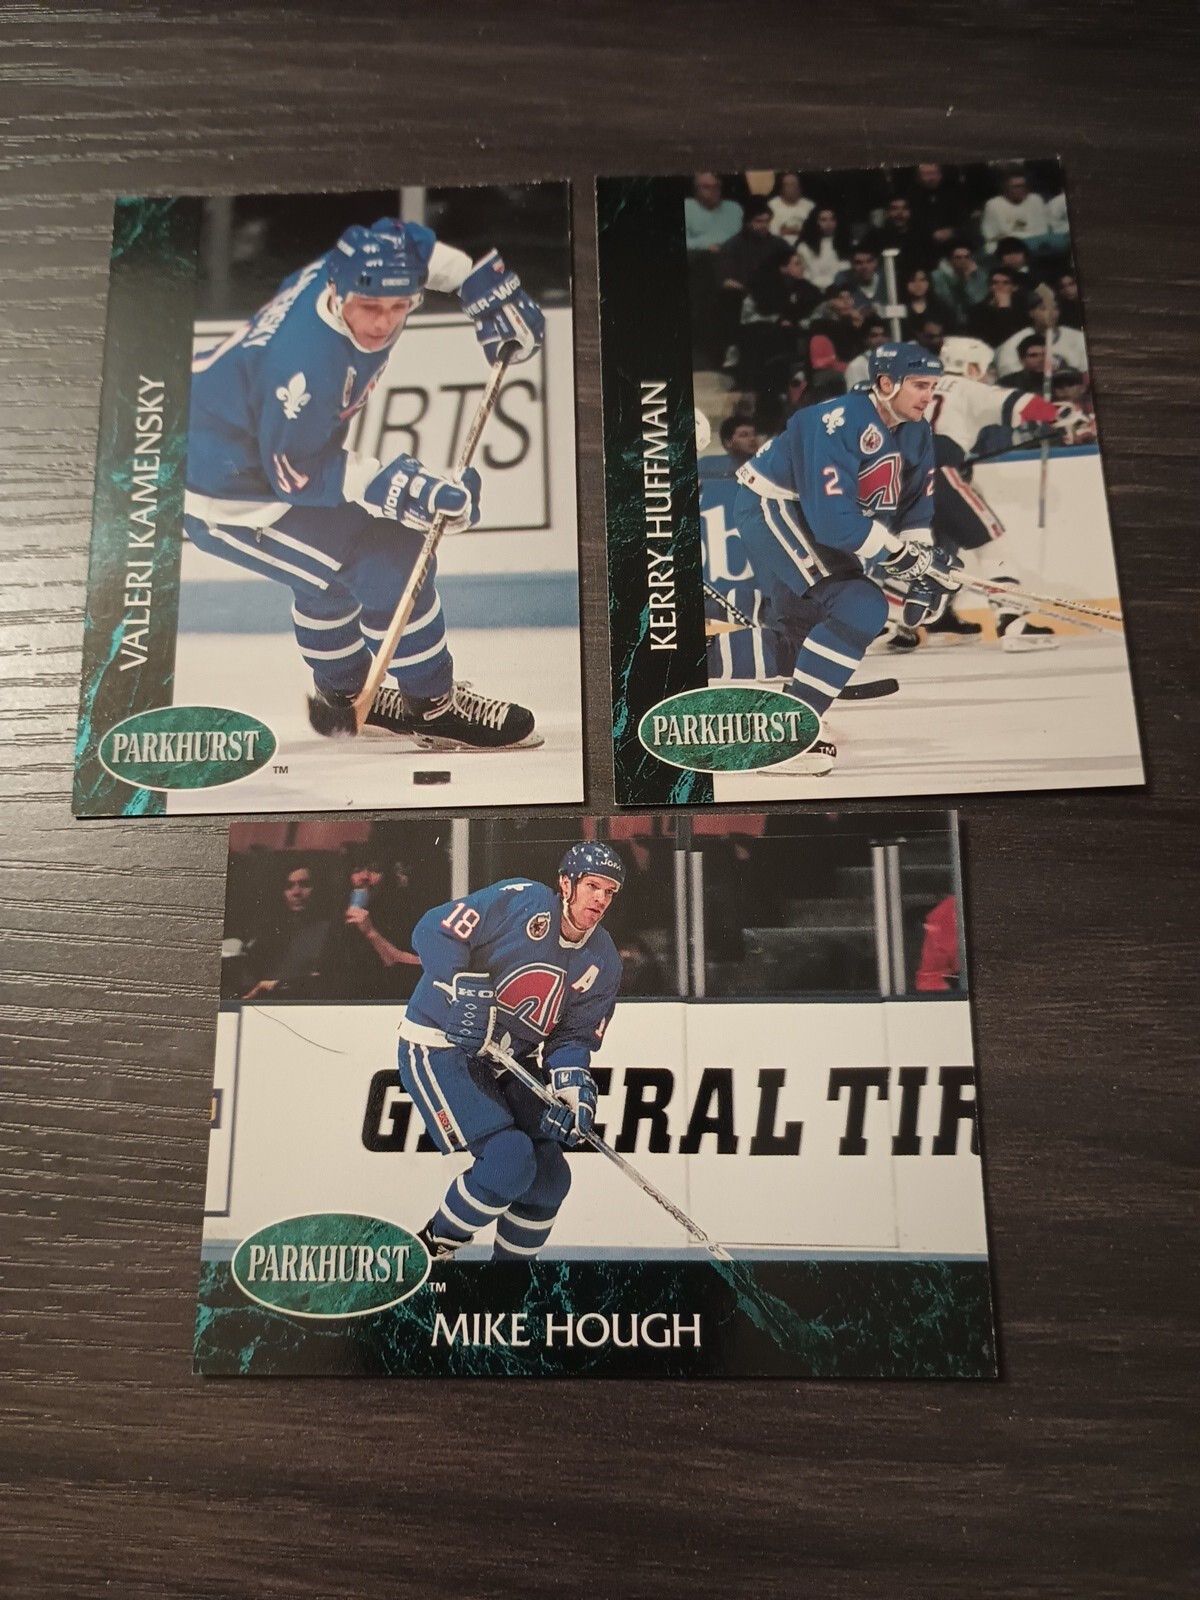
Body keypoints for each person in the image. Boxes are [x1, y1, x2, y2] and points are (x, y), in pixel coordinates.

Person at [185, 219, 545, 750]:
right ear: (339, 291)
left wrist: (472, 281)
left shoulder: (348, 269)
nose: (383, 322)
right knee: (390, 559)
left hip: (225, 438)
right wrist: (402, 486)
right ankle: (434, 707)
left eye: (400, 306)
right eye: (370, 307)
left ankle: (345, 696)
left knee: (329, 573)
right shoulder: (305, 364)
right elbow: (296, 473)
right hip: (228, 490)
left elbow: (410, 243)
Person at [729, 342, 962, 775]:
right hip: (774, 505)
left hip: (805, 515)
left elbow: (914, 510)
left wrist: (922, 567)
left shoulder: (916, 431)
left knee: (798, 642)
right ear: (886, 383)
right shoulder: (838, 420)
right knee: (860, 605)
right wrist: (903, 558)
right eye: (919, 385)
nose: (928, 396)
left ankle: (675, 669)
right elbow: (834, 524)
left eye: (933, 386)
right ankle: (790, 734)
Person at [398, 842, 625, 1262]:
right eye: (592, 886)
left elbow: (572, 1038)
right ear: (566, 884)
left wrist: (572, 1089)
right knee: (510, 1161)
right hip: (441, 1044)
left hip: (505, 1060)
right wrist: (461, 984)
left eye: (609, 891)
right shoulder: (522, 902)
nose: (600, 899)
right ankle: (433, 1248)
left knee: (551, 1179)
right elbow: (433, 929)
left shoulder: (603, 960)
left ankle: (510, 1282)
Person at [926, 336, 1091, 650]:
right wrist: (1064, 417)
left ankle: (921, 620)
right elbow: (1023, 404)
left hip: (894, 479)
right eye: (984, 368)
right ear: (971, 367)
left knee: (932, 549)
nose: (987, 374)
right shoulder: (966, 387)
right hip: (938, 472)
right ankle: (1012, 621)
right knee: (993, 545)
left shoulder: (916, 385)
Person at [240, 861, 333, 1000]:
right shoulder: (268, 932)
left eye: (304, 884)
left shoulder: (328, 931)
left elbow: (324, 981)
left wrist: (278, 985)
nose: (296, 892)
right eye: (289, 886)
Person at [795, 205, 850, 291]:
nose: (829, 224)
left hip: (840, 289)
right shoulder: (804, 247)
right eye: (823, 220)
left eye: (832, 219)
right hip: (813, 290)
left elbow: (846, 270)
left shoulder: (847, 245)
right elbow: (806, 273)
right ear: (815, 222)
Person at [766, 172, 814, 243]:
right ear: (781, 188)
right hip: (778, 245)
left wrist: (796, 231)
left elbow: (814, 232)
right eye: (786, 185)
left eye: (793, 184)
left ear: (800, 187)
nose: (790, 188)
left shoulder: (810, 206)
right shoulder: (771, 205)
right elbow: (769, 232)